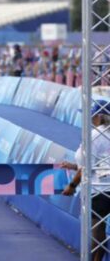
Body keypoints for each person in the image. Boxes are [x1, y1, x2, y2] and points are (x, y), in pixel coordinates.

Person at [61, 98, 110, 261]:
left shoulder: (94, 136)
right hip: (103, 184)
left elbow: (87, 167)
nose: (89, 119)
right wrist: (73, 166)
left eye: (92, 115)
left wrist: (72, 185)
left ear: (100, 116)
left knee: (97, 231)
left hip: (100, 189)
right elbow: (101, 162)